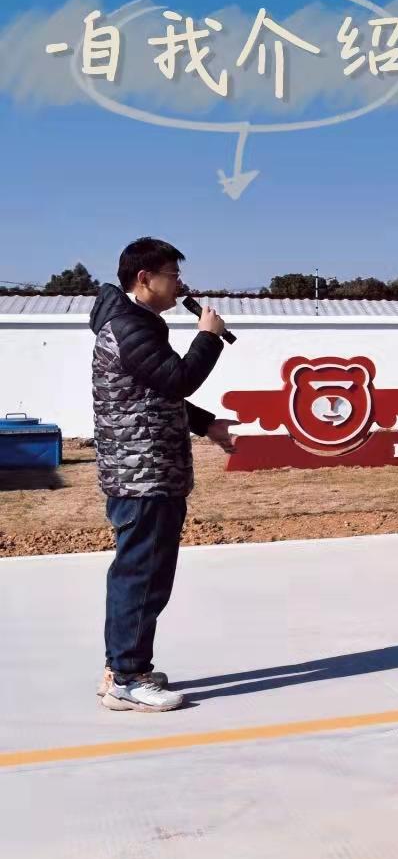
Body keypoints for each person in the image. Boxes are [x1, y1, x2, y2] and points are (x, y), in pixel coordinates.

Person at [91, 238, 235, 712]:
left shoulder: (135, 324)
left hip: (146, 471)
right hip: (143, 475)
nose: (180, 284)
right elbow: (177, 378)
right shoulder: (130, 326)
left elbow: (154, 394)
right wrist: (208, 336)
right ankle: (128, 678)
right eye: (173, 275)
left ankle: (121, 667)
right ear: (144, 278)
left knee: (140, 573)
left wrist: (206, 424)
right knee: (143, 576)